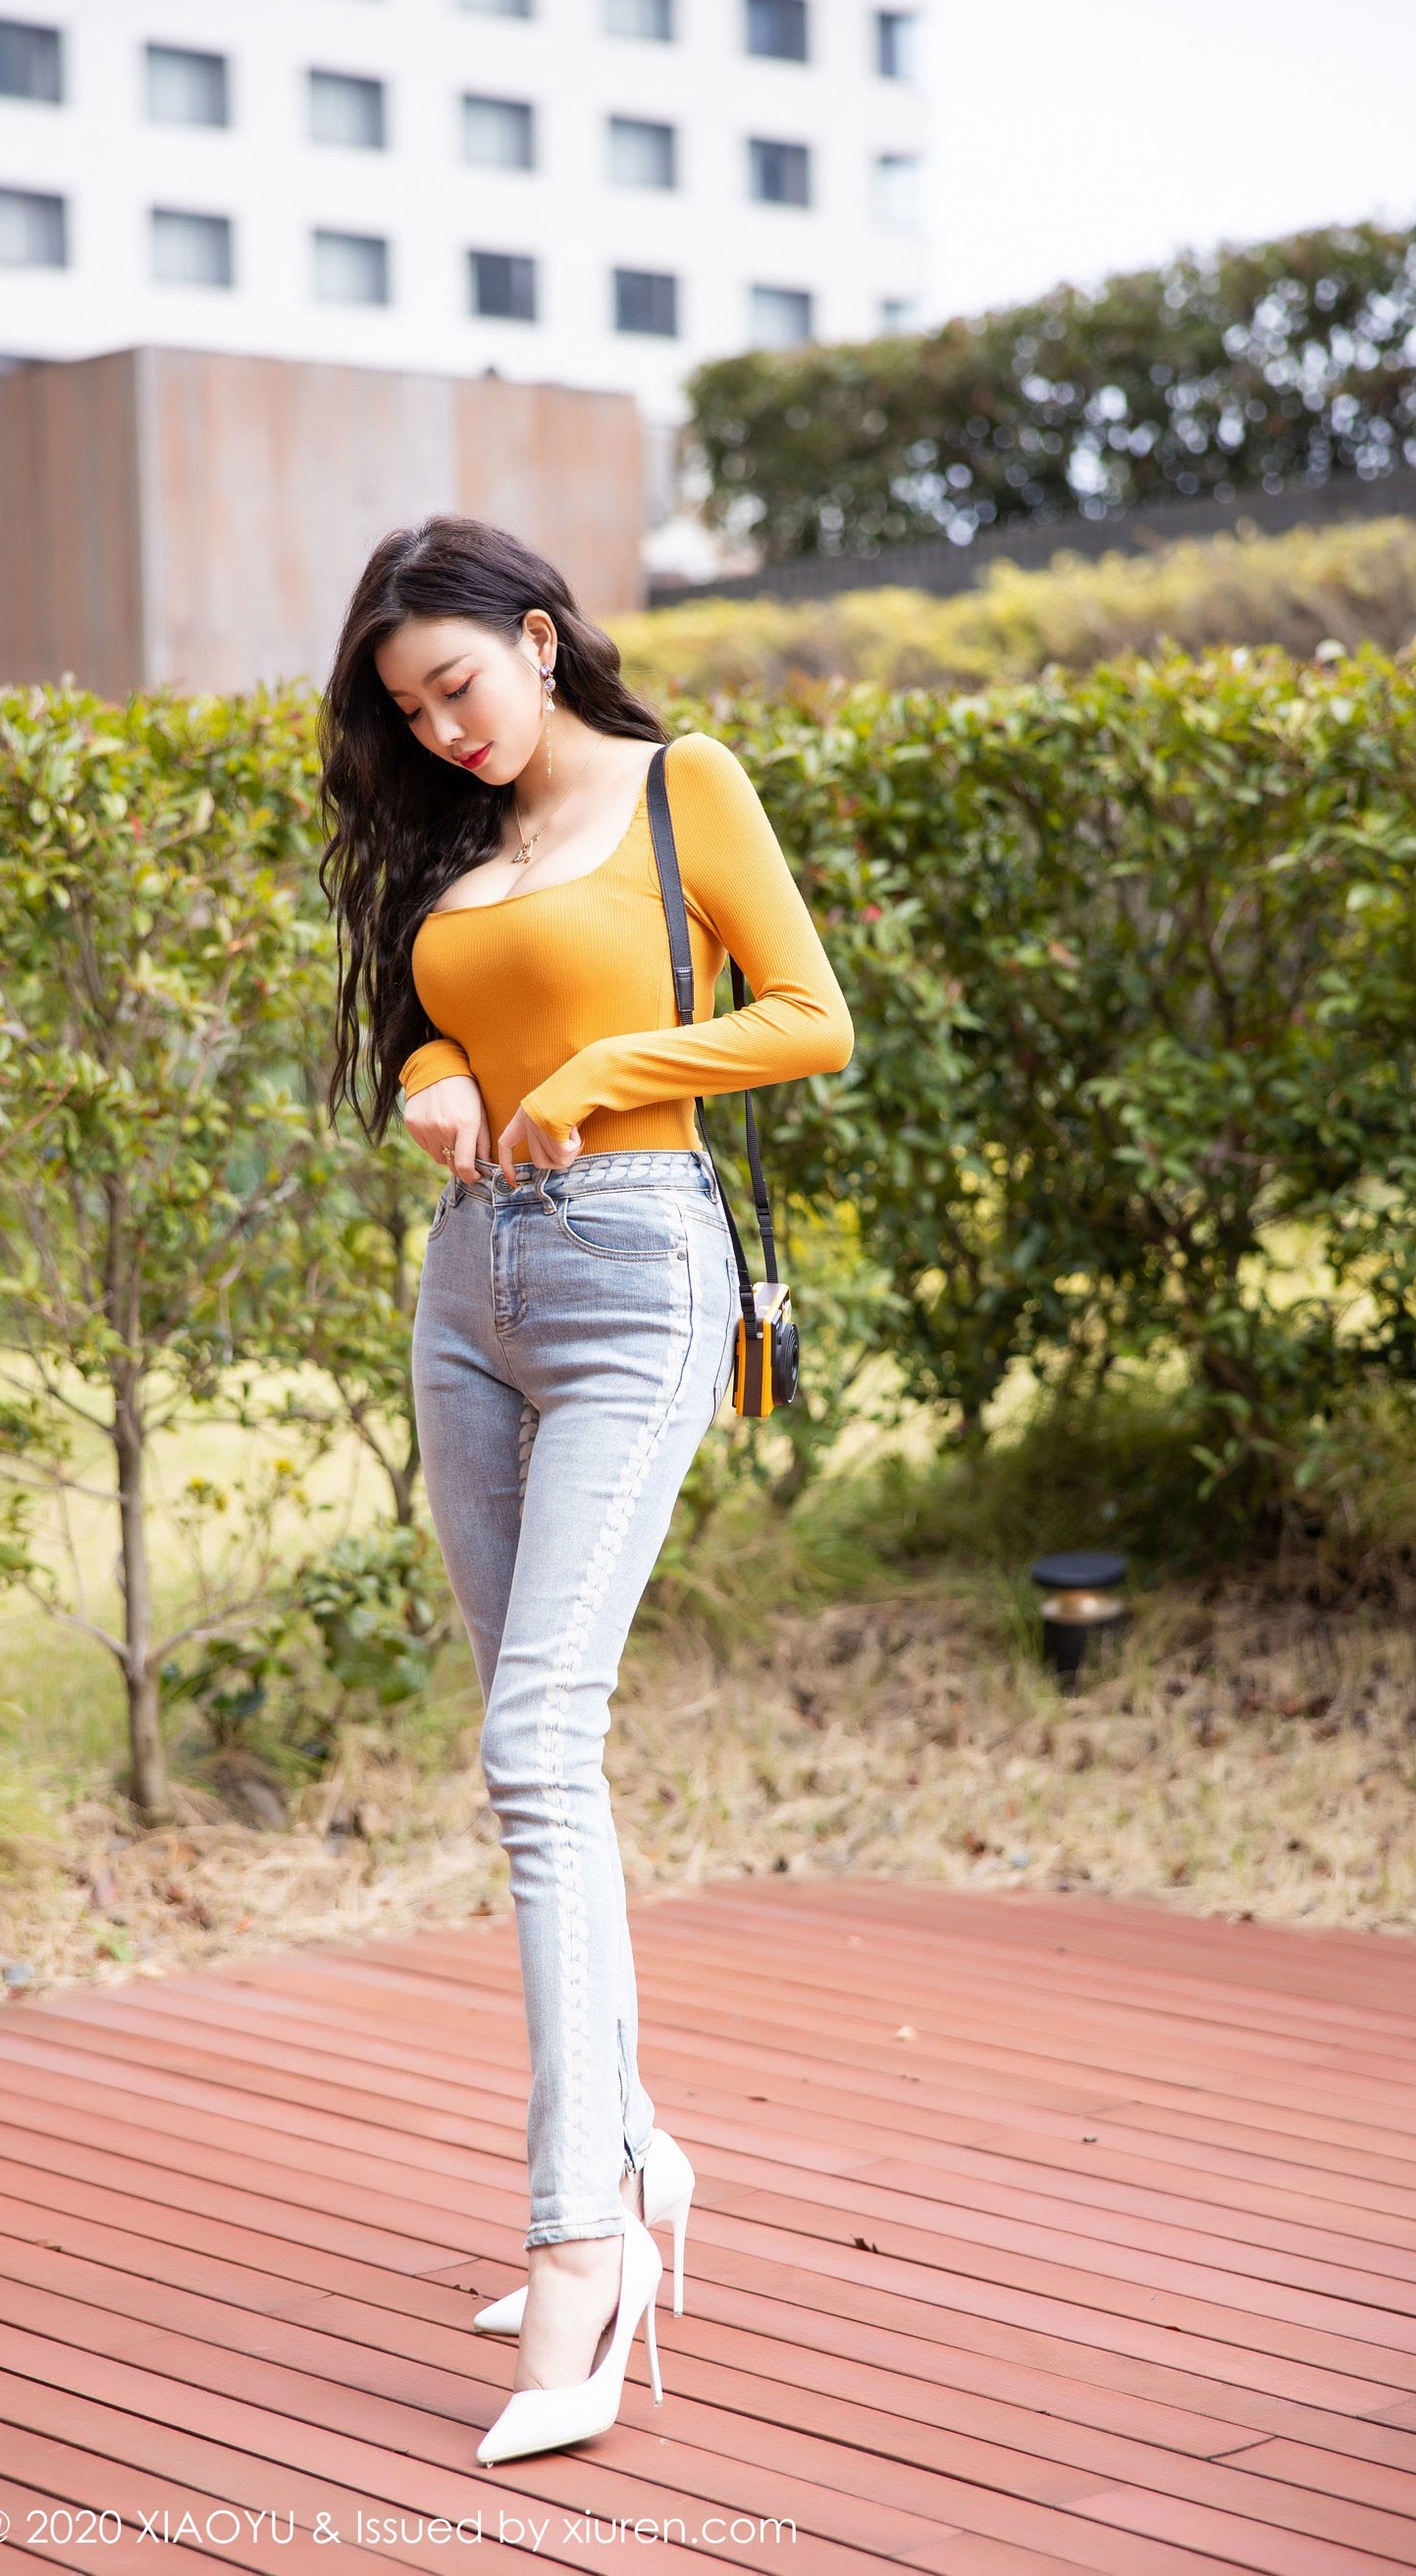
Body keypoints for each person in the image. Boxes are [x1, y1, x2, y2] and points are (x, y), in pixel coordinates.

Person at [321, 515, 853, 2465]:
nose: (441, 731)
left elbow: (810, 1016)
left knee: (541, 1744)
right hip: (470, 1287)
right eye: (406, 711)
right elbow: (434, 1023)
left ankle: (579, 2250)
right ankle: (636, 2158)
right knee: (521, 1732)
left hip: (635, 1265)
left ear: (540, 637)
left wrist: (600, 1073)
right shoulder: (450, 847)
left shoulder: (677, 786)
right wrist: (430, 1080)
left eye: (457, 684)